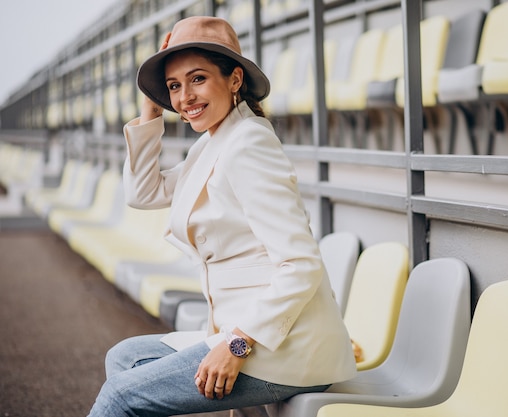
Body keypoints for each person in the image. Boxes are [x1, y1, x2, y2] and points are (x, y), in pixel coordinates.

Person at [87, 16, 356, 417]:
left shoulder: (247, 144)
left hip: (283, 347)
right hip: (240, 332)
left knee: (122, 395)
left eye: (197, 79)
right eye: (174, 86)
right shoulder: (216, 140)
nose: (183, 98)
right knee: (124, 357)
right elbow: (143, 193)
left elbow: (301, 264)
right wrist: (151, 101)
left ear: (234, 80)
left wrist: (237, 345)